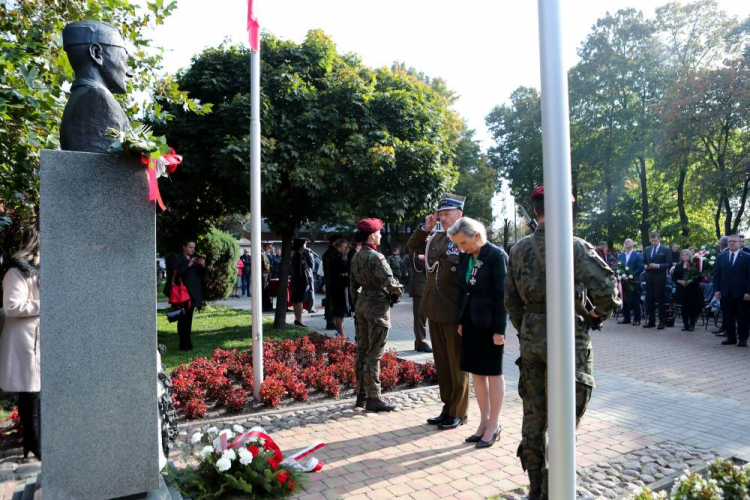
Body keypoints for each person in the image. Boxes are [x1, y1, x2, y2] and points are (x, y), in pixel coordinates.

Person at [505, 186, 620, 500]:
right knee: (565, 418)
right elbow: (609, 294)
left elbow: (511, 301)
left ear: (537, 211)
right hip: (569, 339)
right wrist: (594, 316)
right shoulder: (576, 247)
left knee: (534, 416)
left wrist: (527, 328)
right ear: (566, 211)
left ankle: (535, 490)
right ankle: (556, 490)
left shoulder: (518, 250)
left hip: (531, 342)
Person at [407, 193, 470, 430]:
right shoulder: (434, 238)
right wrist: (426, 227)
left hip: (454, 312)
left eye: (447, 214)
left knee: (457, 365)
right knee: (442, 365)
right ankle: (447, 407)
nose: (443, 218)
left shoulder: (466, 238)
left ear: (459, 215)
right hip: (434, 309)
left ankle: (459, 411)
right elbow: (412, 246)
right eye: (441, 215)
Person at [448, 217, 507, 449]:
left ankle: (494, 424)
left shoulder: (495, 255)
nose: (461, 248)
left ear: (476, 235)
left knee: (493, 373)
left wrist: (499, 329)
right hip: (471, 323)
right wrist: (461, 320)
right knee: (477, 374)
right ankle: (483, 422)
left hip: (490, 325)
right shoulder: (466, 256)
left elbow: (502, 294)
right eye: (458, 244)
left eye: (463, 242)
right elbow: (464, 291)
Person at [349, 219, 403, 412]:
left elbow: (352, 288)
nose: (380, 236)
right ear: (372, 235)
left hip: (362, 306)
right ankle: (374, 398)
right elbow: (390, 283)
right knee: (374, 354)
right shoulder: (376, 257)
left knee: (362, 351)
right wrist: (398, 292)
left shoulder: (356, 257)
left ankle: (361, 396)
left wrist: (357, 305)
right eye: (379, 233)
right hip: (377, 309)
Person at [0, 226, 42, 460]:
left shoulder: (36, 271)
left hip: (36, 339)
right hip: (24, 340)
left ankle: (33, 442)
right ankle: (33, 443)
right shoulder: (16, 272)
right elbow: (12, 307)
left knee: (36, 391)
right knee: (30, 391)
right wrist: (44, 305)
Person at [166, 239, 205, 351]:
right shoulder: (177, 258)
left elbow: (201, 275)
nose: (192, 250)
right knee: (182, 320)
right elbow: (176, 274)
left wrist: (203, 266)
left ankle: (188, 343)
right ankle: (183, 344)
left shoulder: (196, 259)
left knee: (189, 320)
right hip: (181, 294)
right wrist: (188, 266)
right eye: (190, 247)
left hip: (192, 294)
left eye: (193, 247)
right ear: (184, 247)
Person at [713, 235, 750, 347]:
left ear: (740, 243)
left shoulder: (747, 257)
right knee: (728, 316)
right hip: (725, 292)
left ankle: (743, 338)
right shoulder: (721, 257)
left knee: (742, 316)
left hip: (741, 293)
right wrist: (717, 289)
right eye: (730, 241)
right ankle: (731, 337)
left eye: (734, 241)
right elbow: (717, 275)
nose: (732, 243)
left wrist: (748, 292)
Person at [643, 231, 672, 329]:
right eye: (652, 241)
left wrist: (658, 266)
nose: (653, 242)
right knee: (649, 299)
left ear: (659, 239)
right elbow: (643, 262)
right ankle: (651, 321)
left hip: (660, 277)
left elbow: (669, 264)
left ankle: (662, 322)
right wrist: (645, 266)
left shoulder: (666, 249)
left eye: (655, 240)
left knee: (660, 299)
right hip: (649, 277)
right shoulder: (647, 249)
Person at [406, 250, 432, 353]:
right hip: (420, 288)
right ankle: (421, 342)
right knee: (420, 317)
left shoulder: (424, 251)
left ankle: (419, 343)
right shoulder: (415, 252)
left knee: (422, 317)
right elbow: (429, 266)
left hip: (425, 287)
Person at [672, 249, 703, 331]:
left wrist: (690, 280)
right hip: (682, 290)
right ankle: (685, 324)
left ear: (690, 256)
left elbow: (699, 277)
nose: (684, 256)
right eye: (683, 255)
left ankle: (692, 324)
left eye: (686, 254)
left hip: (692, 290)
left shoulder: (694, 265)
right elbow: (674, 277)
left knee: (692, 308)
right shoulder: (678, 266)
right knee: (684, 308)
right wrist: (680, 281)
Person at [617, 238, 643, 325]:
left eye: (629, 241)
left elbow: (640, 268)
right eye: (625, 241)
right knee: (624, 300)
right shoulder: (620, 256)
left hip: (633, 281)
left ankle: (637, 319)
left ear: (633, 244)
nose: (627, 242)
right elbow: (618, 268)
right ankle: (626, 318)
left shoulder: (638, 255)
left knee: (635, 300)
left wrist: (630, 275)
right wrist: (621, 276)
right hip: (623, 282)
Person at [329, 238, 352, 337]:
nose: (347, 249)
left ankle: (341, 333)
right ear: (339, 247)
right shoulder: (336, 257)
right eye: (344, 247)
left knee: (341, 310)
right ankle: (341, 334)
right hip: (337, 287)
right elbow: (338, 272)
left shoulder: (340, 256)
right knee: (339, 311)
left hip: (342, 287)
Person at [290, 238, 313, 327]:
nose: (305, 246)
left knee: (296, 300)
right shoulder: (299, 255)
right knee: (299, 300)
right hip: (300, 281)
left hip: (296, 280)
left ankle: (297, 319)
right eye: (305, 244)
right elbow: (302, 270)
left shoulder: (296, 254)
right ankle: (299, 320)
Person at [322, 235, 342, 330]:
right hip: (332, 282)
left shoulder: (333, 252)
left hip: (333, 281)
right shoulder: (330, 254)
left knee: (333, 302)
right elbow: (329, 270)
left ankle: (332, 321)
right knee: (330, 303)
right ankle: (330, 322)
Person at [261, 242, 273, 311]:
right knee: (263, 291)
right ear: (265, 247)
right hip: (263, 275)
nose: (269, 249)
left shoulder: (264, 254)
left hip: (266, 276)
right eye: (269, 247)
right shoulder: (261, 254)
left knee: (265, 291)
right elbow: (265, 266)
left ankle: (266, 305)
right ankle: (264, 306)